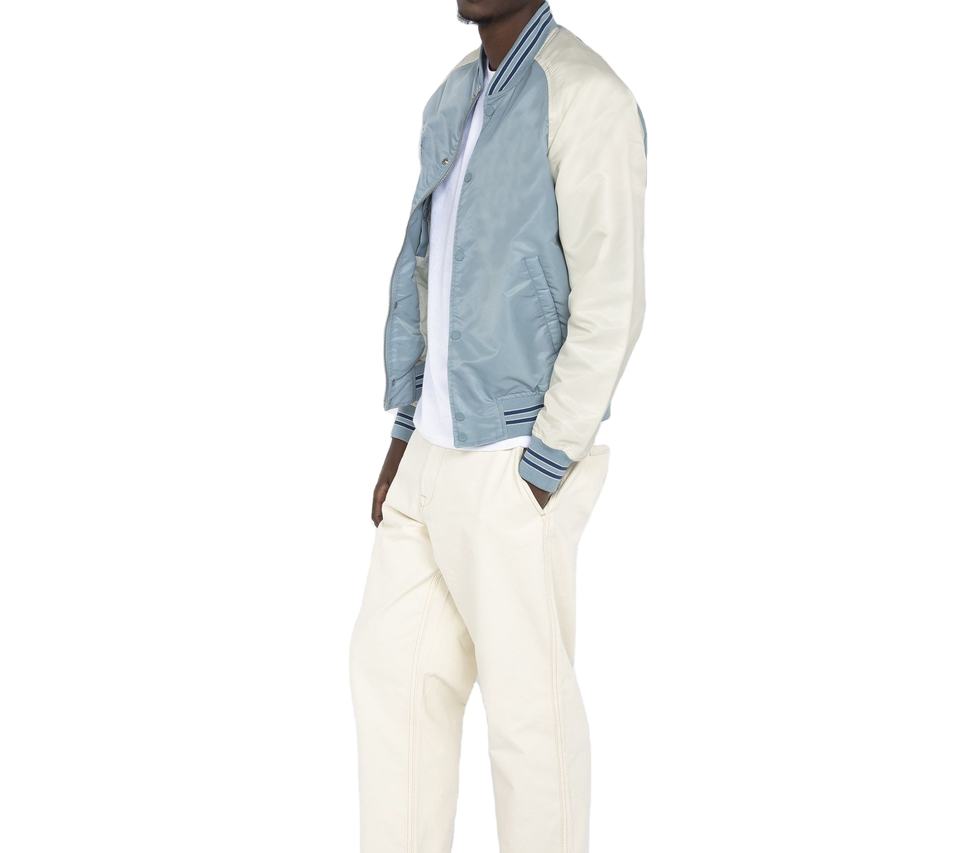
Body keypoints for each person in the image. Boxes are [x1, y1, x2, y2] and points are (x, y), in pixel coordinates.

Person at [350, 2, 647, 851]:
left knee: (528, 722)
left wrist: (544, 463)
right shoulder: (453, 96)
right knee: (391, 679)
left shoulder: (587, 97)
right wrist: (405, 430)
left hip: (512, 457)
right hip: (429, 456)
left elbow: (612, 301)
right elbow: (426, 272)